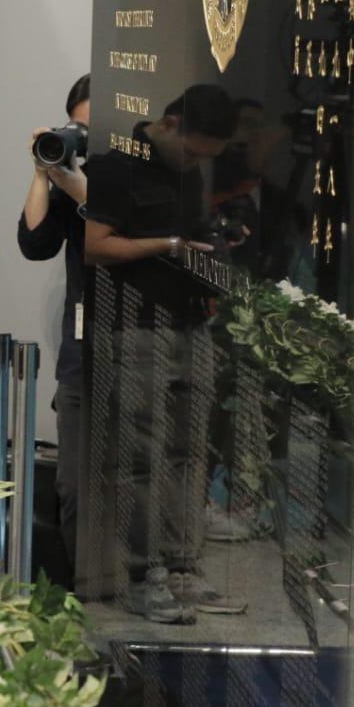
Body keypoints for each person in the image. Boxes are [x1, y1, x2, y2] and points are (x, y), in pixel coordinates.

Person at [82, 83, 245, 623]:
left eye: (207, 157)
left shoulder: (189, 173)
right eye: (194, 150)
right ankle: (142, 574)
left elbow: (193, 236)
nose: (198, 162)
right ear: (171, 123)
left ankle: (182, 568)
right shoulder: (115, 165)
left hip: (191, 323)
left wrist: (213, 253)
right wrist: (168, 247)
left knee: (189, 451)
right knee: (142, 457)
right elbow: (96, 246)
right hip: (137, 329)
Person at [17, 74, 91, 580]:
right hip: (82, 352)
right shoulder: (69, 179)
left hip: (141, 342)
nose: (85, 140)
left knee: (139, 482)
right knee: (76, 485)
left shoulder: (147, 178)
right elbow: (35, 242)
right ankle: (84, 591)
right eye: (77, 129)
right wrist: (45, 170)